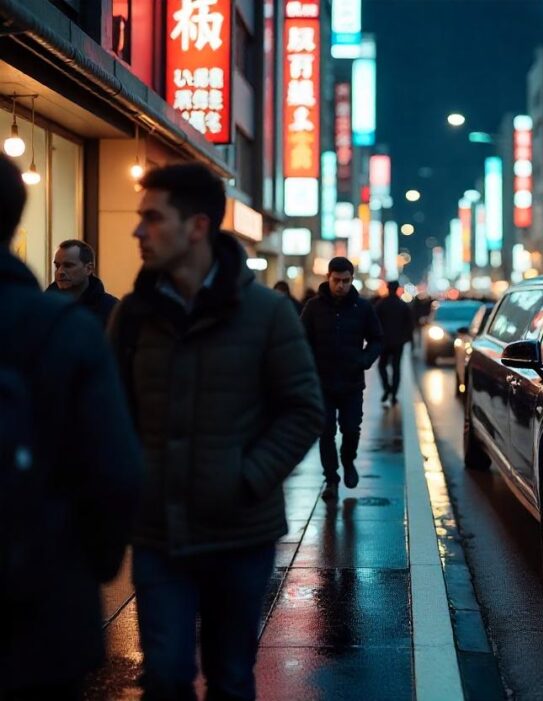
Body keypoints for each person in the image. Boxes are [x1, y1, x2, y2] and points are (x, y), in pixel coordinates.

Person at [108, 162, 324, 700]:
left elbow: (303, 410)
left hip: (240, 534)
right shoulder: (134, 314)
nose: (138, 232)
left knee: (230, 678)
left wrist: (245, 479)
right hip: (159, 532)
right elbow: (111, 412)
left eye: (152, 219)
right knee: (165, 676)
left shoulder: (267, 313)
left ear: (197, 226)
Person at [0, 154, 142, 699]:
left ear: (87, 266)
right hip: (47, 585)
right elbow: (116, 467)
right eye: (57, 264)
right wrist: (91, 564)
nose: (60, 273)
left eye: (68, 265)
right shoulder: (59, 327)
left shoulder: (104, 314)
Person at [301, 257, 382, 500]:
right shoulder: (314, 307)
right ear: (328, 278)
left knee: (350, 429)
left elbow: (377, 339)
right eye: (337, 280)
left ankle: (348, 461)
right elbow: (299, 340)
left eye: (346, 281)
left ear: (351, 280)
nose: (341, 286)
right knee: (325, 432)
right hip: (321, 383)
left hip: (351, 383)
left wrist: (364, 360)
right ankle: (331, 480)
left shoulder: (363, 308)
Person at [45, 239, 119, 327]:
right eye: (57, 266)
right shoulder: (44, 306)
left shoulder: (112, 309)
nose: (60, 272)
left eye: (68, 265)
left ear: (88, 269)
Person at [374, 280, 415, 405]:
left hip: (384, 342)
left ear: (387, 288)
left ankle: (387, 388)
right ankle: (394, 394)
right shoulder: (403, 305)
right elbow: (410, 325)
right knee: (396, 368)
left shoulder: (380, 304)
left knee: (382, 366)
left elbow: (374, 323)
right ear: (398, 289)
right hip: (398, 342)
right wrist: (408, 340)